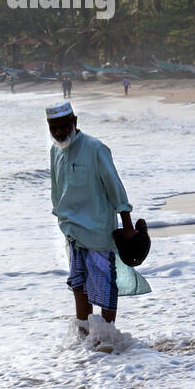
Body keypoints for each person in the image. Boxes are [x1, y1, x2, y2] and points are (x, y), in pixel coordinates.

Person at [46, 102, 136, 351]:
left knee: (104, 285)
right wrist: (60, 219)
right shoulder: (55, 151)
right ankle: (84, 336)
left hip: (98, 231)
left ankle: (107, 338)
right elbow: (56, 188)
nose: (61, 132)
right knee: (78, 285)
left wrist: (127, 225)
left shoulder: (95, 148)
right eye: (55, 128)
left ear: (75, 120)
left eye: (65, 125)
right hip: (72, 232)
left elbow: (115, 187)